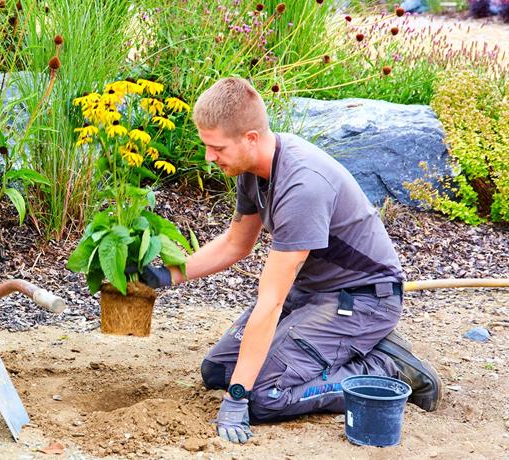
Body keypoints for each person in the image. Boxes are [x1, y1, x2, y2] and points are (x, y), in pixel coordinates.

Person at [134, 77, 442, 444]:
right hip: (313, 294)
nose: (209, 158)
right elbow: (236, 244)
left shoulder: (303, 187)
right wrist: (165, 276)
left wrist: (237, 398)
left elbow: (271, 302)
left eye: (216, 148)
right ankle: (338, 347)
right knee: (218, 371)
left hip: (362, 301)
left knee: (262, 396)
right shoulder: (253, 168)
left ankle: (387, 368)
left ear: (250, 138)